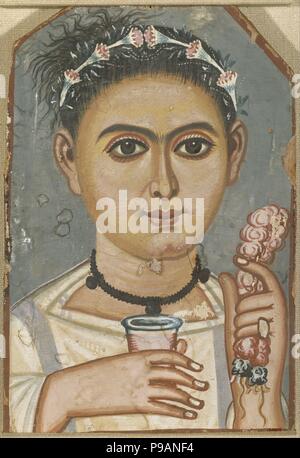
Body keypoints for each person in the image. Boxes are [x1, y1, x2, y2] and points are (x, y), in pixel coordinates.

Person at [10, 10, 288, 433]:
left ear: (233, 153)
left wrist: (258, 403)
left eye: (193, 146)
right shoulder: (28, 334)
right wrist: (67, 393)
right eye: (126, 148)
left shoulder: (244, 329)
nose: (163, 184)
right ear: (69, 159)